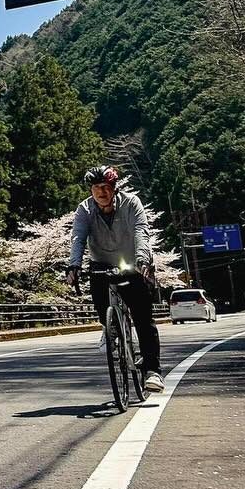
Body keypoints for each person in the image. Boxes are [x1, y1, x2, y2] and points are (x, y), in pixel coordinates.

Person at [66, 165, 164, 393]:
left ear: (114, 188)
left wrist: (142, 259)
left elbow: (141, 231)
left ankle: (152, 371)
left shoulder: (131, 203)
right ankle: (109, 327)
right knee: (102, 305)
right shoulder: (84, 210)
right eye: (95, 188)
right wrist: (74, 265)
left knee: (142, 317)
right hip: (101, 263)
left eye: (105, 187)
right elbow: (78, 238)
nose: (101, 192)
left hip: (132, 262)